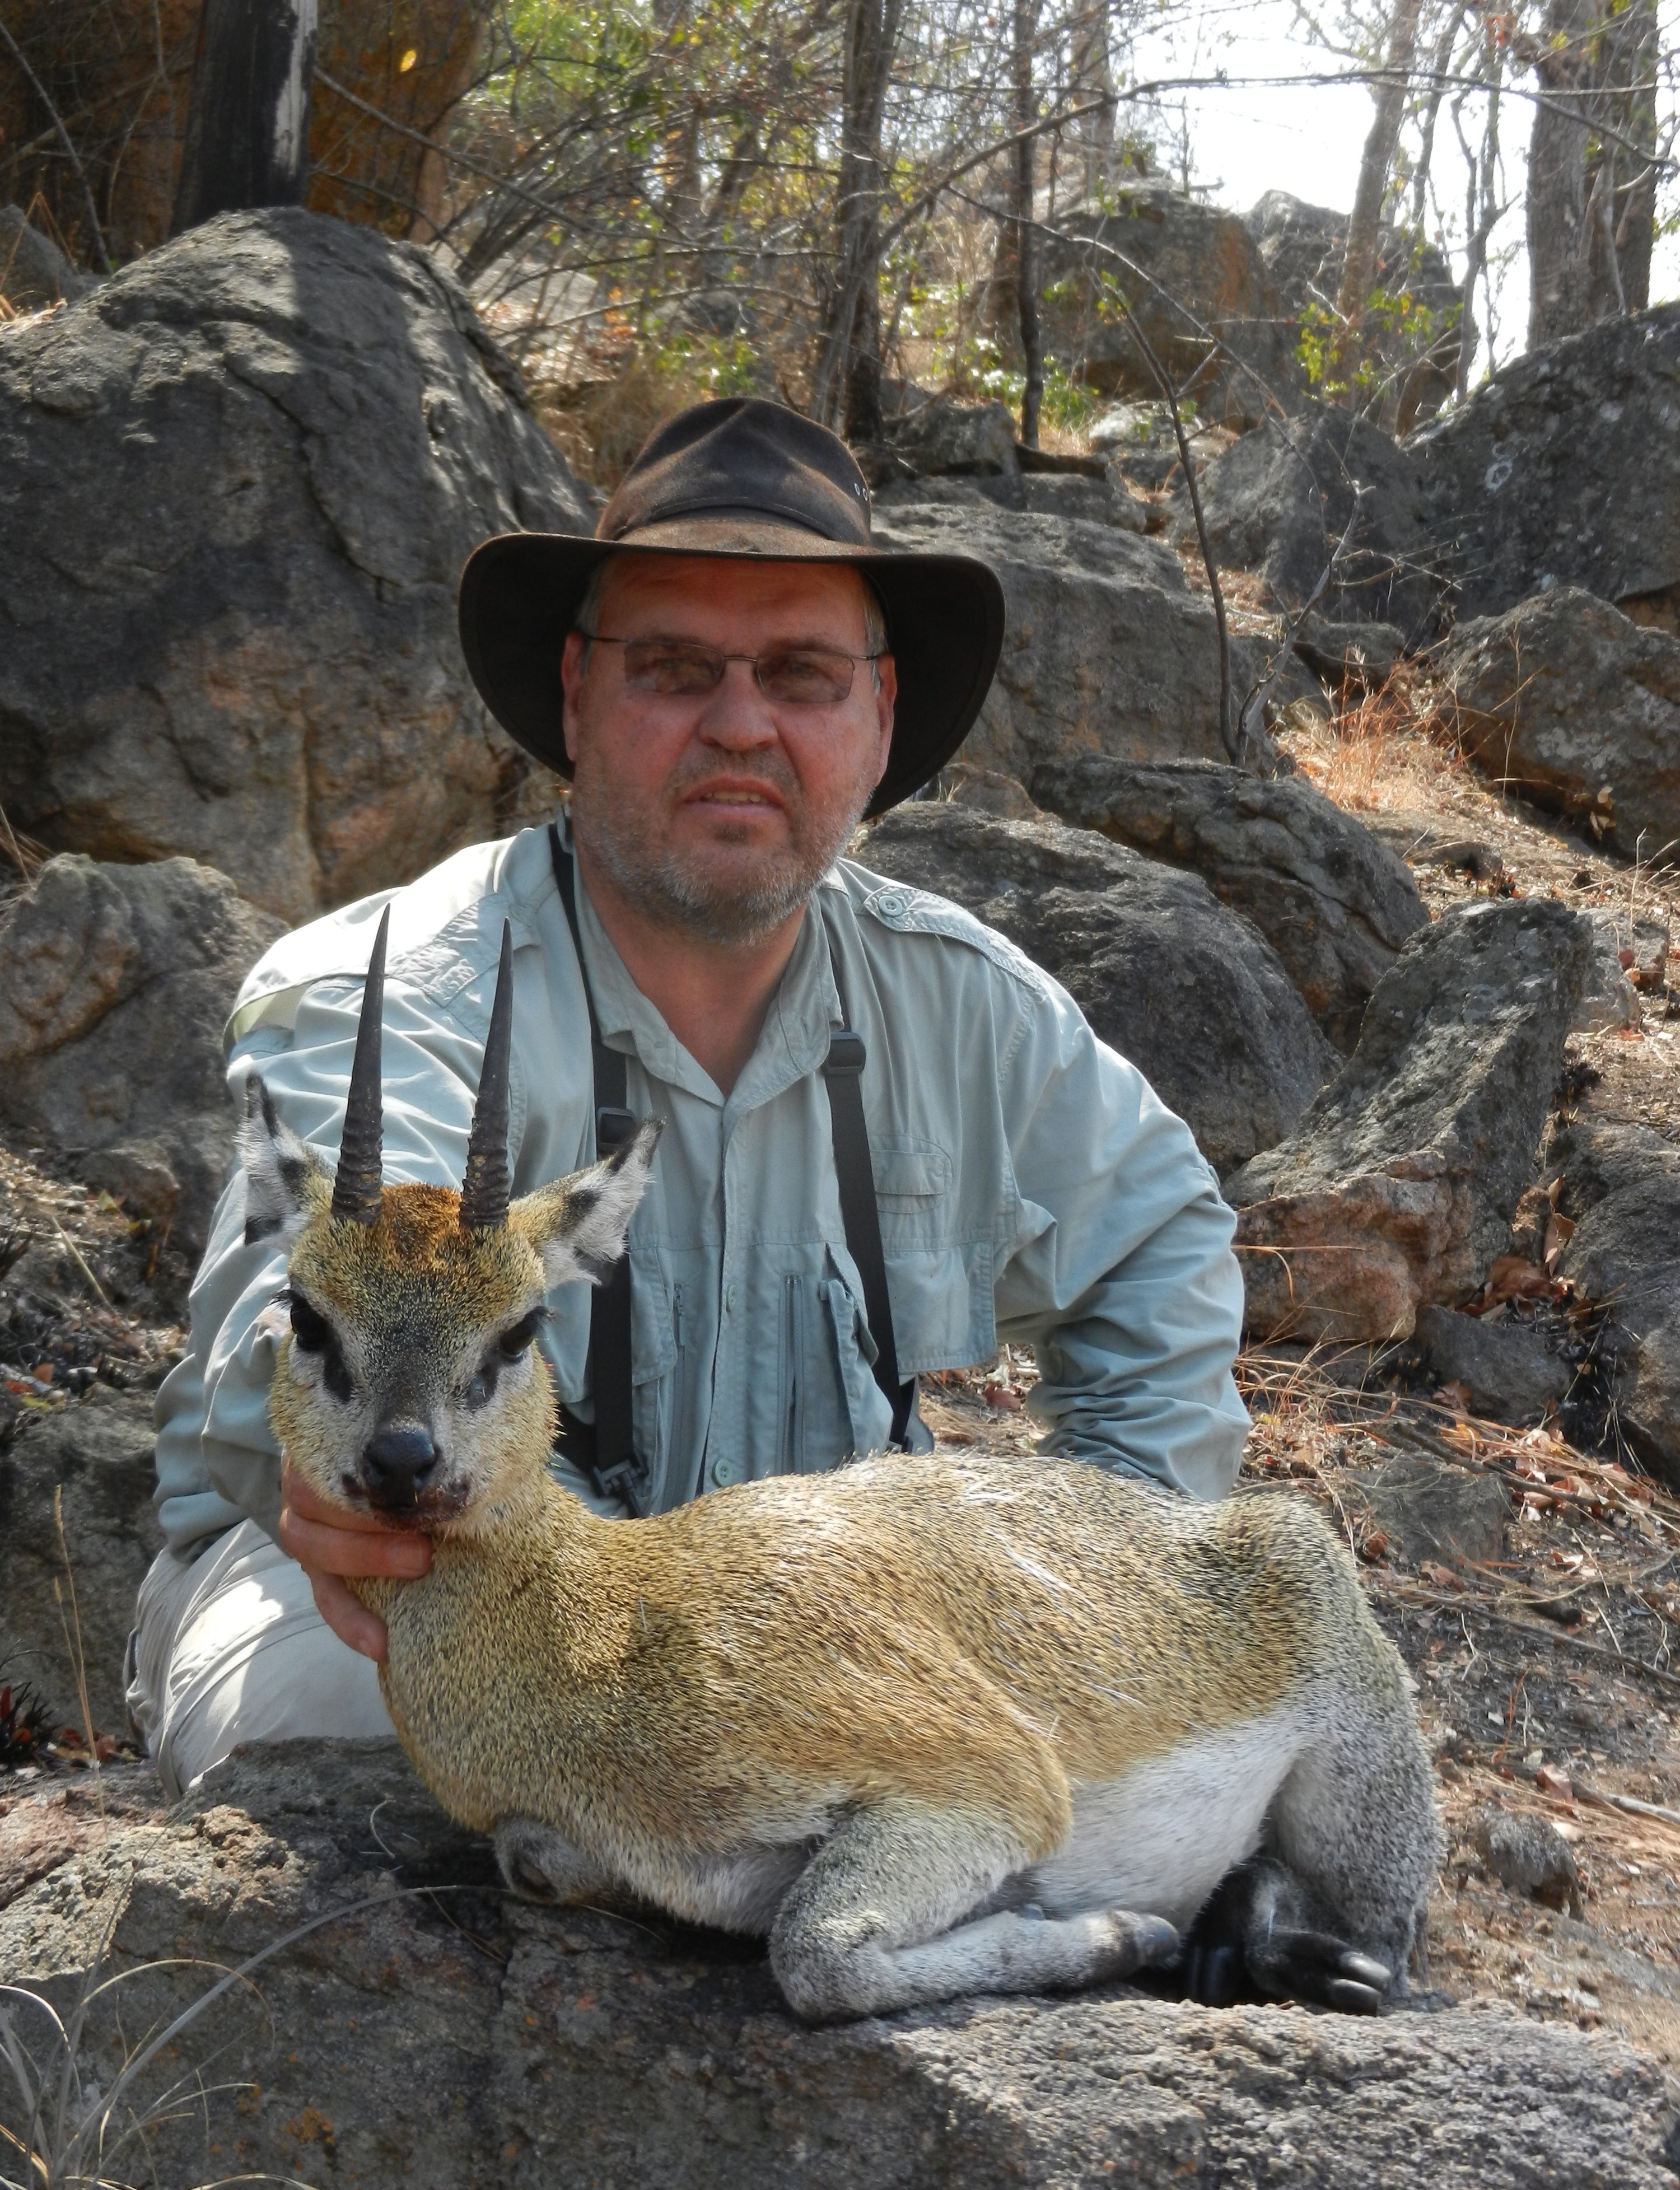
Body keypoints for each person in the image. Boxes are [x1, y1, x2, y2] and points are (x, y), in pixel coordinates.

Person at [126, 398, 1249, 1801]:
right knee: (351, 1738)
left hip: (794, 1632)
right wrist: (343, 1447)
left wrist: (1093, 1564)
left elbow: (1164, 1245)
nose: (739, 724)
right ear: (577, 697)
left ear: (879, 717)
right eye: (671, 668)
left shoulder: (969, 1010)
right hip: (412, 1581)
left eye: (800, 674)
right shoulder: (393, 999)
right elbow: (283, 1310)